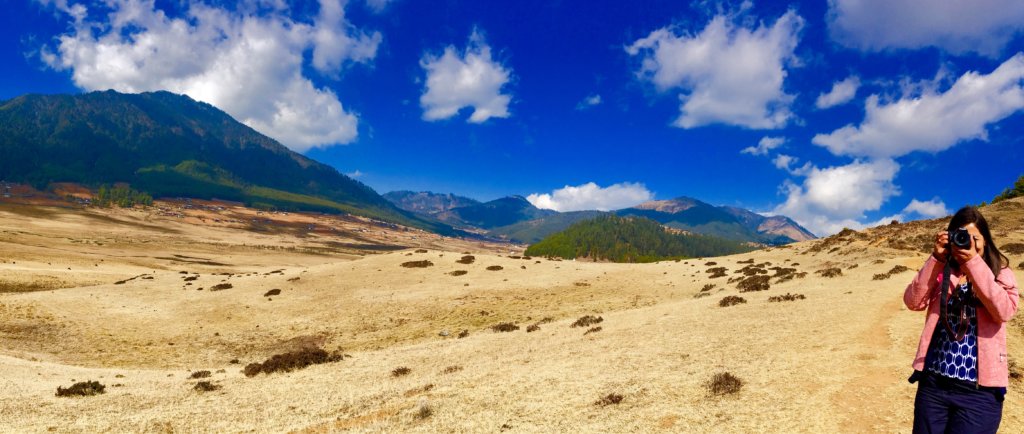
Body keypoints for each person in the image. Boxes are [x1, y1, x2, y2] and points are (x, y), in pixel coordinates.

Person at [904, 206, 1019, 433]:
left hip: (979, 393)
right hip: (934, 385)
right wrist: (936, 257)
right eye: (961, 237)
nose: (968, 242)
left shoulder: (1001, 273)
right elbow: (913, 302)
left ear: (985, 240)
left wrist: (973, 263)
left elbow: (1004, 311)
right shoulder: (944, 270)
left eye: (974, 238)